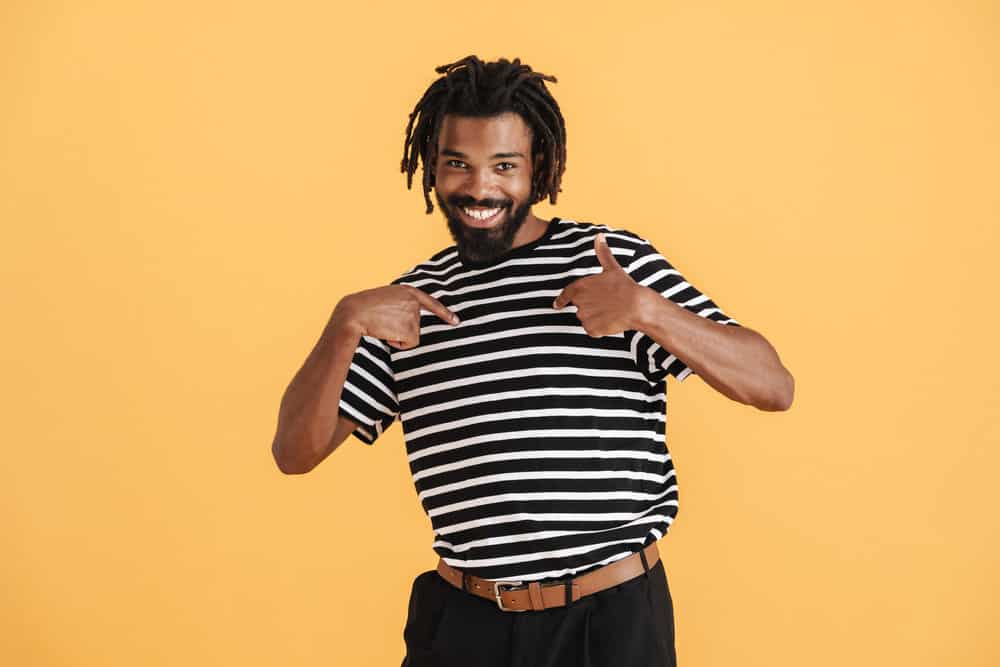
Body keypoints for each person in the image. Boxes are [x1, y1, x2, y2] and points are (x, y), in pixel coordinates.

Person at [271, 55, 794, 667]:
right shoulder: (408, 306)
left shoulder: (609, 264)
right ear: (432, 169)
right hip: (462, 625)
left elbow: (772, 385)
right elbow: (294, 453)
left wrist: (650, 312)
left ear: (537, 168)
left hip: (608, 622)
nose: (479, 188)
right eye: (457, 164)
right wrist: (344, 324)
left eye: (504, 166)